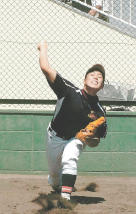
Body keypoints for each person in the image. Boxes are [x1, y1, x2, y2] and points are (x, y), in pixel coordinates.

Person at [37, 41, 107, 209]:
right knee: (55, 176)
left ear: (102, 86)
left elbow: (96, 141)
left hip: (75, 139)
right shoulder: (68, 91)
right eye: (92, 74)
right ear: (84, 80)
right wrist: (43, 48)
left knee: (70, 159)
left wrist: (89, 139)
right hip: (54, 136)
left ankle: (65, 198)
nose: (96, 77)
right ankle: (57, 183)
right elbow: (46, 68)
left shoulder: (100, 112)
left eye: (100, 77)